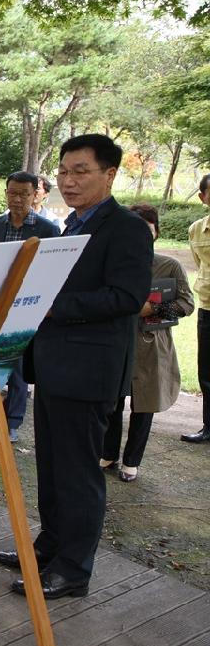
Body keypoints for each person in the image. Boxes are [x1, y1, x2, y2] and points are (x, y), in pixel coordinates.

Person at [0, 134, 151, 600]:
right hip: (56, 367)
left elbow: (127, 298)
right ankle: (49, 546)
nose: (69, 180)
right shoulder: (71, 227)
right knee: (52, 465)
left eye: (81, 171)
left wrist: (50, 306)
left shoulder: (126, 229)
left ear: (110, 174)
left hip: (90, 372)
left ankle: (74, 570)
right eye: (63, 172)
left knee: (80, 473)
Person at [100, 204, 193, 481]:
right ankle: (108, 453)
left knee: (144, 405)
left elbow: (186, 304)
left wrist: (151, 309)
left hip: (151, 345)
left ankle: (132, 462)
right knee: (112, 402)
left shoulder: (169, 265)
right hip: (118, 341)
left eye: (148, 228)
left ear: (156, 232)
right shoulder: (114, 263)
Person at [0, 171, 60, 439]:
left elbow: (51, 271)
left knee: (19, 362)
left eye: (23, 194)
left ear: (35, 195)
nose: (17, 199)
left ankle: (12, 422)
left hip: (27, 303)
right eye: (12, 193)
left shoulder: (48, 229)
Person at [183, 173, 210, 444]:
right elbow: (199, 265)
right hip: (208, 307)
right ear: (203, 198)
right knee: (207, 373)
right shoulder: (196, 230)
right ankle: (207, 427)